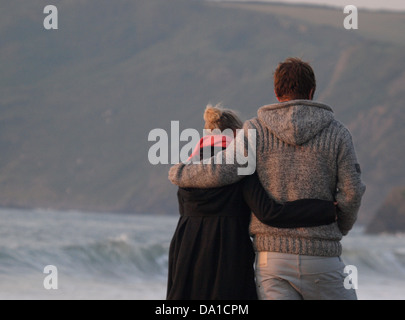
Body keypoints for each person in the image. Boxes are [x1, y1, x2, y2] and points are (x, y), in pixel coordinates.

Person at [169, 58, 366, 300]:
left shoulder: (254, 130)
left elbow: (222, 169)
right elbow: (352, 192)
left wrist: (180, 172)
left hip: (272, 262)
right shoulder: (338, 133)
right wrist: (338, 226)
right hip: (322, 257)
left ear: (276, 93)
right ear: (312, 92)